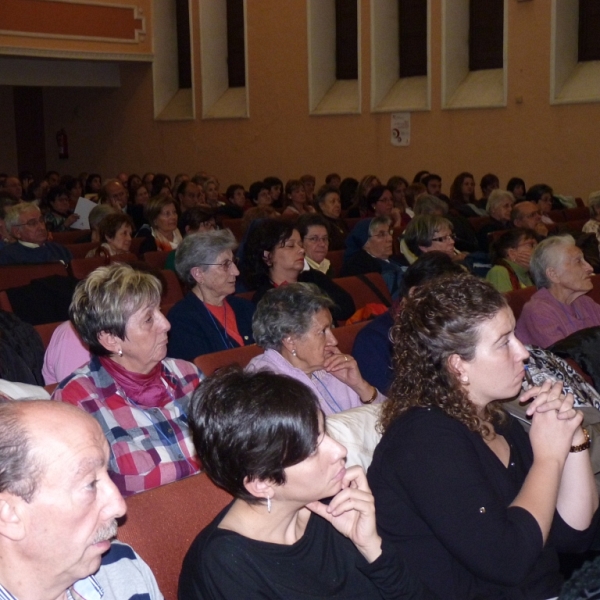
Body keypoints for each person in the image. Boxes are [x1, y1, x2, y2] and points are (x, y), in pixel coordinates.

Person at [367, 273, 599, 600]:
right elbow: (509, 562)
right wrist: (549, 458)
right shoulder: (422, 441)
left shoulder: (496, 419)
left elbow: (572, 536)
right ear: (458, 365)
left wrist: (572, 439)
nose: (523, 352)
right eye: (504, 342)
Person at [179, 367, 432, 600]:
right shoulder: (225, 569)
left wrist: (371, 546)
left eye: (325, 432)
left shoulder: (332, 503)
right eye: (312, 449)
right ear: (262, 483)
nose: (340, 450)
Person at [52, 263, 202, 496]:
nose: (166, 324)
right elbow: (78, 498)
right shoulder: (76, 402)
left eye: (159, 310)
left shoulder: (188, 374)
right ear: (111, 340)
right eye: (149, 319)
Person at [0, 400, 163, 600]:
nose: (119, 507)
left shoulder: (123, 568)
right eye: (90, 484)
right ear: (8, 514)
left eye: (107, 474)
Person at [247, 283, 384, 415]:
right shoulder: (264, 386)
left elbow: (393, 423)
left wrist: (361, 386)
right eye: (323, 332)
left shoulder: (331, 367)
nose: (334, 341)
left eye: (331, 328)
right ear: (290, 341)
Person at [352, 252, 464, 394]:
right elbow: (391, 400)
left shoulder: (448, 328)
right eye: (443, 297)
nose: (449, 306)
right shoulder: (373, 340)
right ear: (414, 293)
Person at [243, 219, 355, 322]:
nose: (301, 250)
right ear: (268, 256)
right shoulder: (264, 297)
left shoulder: (314, 278)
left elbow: (347, 308)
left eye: (300, 244)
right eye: (290, 246)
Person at [167, 230, 255, 361]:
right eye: (225, 265)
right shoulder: (182, 320)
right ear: (198, 274)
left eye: (233, 262)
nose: (236, 272)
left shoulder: (244, 307)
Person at [515, 235, 600, 347]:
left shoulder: (585, 302)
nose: (590, 268)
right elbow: (565, 361)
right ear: (554, 275)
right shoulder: (538, 312)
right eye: (578, 261)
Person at [341, 217, 407, 300]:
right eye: (381, 235)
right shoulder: (358, 267)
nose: (390, 239)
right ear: (365, 242)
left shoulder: (397, 260)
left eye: (389, 232)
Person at [0, 202, 72, 265]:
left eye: (41, 220)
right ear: (17, 232)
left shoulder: (59, 250)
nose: (42, 227)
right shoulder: (7, 256)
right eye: (32, 223)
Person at [402, 214, 467, 265]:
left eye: (451, 236)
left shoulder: (455, 266)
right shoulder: (426, 277)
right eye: (443, 238)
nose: (452, 242)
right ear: (424, 247)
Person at [485, 228, 536, 292]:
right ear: (512, 253)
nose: (537, 249)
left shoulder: (532, 273)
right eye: (530, 245)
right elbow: (507, 301)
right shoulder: (499, 271)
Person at [315, 185, 349, 250]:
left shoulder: (341, 221)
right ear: (322, 205)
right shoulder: (321, 225)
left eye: (339, 201)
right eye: (332, 202)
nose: (338, 205)